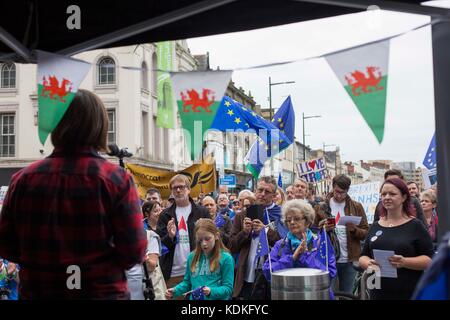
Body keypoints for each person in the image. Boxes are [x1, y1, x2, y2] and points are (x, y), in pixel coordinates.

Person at [0, 89, 147, 299]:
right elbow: (134, 250)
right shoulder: (116, 179)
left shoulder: (23, 180)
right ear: (99, 126)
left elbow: (7, 247)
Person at [359, 178, 433, 300]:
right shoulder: (376, 225)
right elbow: (363, 256)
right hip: (377, 290)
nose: (387, 197)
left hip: (408, 291)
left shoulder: (415, 226)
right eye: (383, 194)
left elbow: (429, 260)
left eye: (392, 194)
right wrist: (368, 263)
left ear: (404, 197)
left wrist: (405, 262)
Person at [229, 176, 288, 300]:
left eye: (267, 192)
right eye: (260, 190)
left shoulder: (282, 214)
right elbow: (232, 246)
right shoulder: (242, 215)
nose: (262, 194)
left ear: (274, 195)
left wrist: (265, 231)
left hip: (272, 272)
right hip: (247, 273)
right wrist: (244, 232)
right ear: (255, 190)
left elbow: (286, 244)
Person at [262, 200, 336, 292]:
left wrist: (305, 256)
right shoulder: (281, 244)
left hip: (316, 294)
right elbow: (268, 272)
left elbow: (329, 274)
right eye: (288, 220)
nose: (292, 222)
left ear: (308, 222)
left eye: (296, 218)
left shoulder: (320, 242)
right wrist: (292, 258)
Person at [314, 174, 369, 294]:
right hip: (328, 259)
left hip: (349, 260)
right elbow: (312, 232)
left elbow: (366, 232)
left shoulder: (357, 207)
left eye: (342, 192)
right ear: (332, 187)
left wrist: (354, 230)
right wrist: (324, 229)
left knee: (347, 294)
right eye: (336, 191)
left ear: (348, 190)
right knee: (329, 294)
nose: (339, 195)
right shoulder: (321, 207)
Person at [156, 174, 210, 289]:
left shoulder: (202, 212)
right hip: (173, 274)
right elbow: (159, 245)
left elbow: (213, 240)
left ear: (189, 189)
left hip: (198, 272)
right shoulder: (165, 215)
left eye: (181, 187)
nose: (178, 190)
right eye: (175, 188)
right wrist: (170, 237)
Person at [165, 219, 234, 300]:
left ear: (216, 236)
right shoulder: (192, 256)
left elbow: (228, 288)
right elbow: (187, 283)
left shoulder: (226, 258)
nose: (204, 243)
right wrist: (175, 291)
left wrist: (211, 291)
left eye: (207, 239)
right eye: (200, 240)